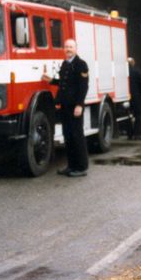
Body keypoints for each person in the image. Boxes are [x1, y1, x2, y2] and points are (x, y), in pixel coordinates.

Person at [42, 39, 90, 177]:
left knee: (77, 136)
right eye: (66, 46)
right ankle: (71, 166)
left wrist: (79, 105)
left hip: (75, 107)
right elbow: (64, 83)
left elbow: (83, 87)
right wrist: (51, 80)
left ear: (76, 48)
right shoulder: (65, 64)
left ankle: (81, 168)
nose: (68, 49)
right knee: (68, 136)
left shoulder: (81, 64)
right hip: (65, 106)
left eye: (71, 46)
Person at [128, 57, 141, 139]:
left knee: (128, 115)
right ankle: (137, 134)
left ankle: (129, 134)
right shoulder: (137, 71)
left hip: (126, 97)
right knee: (138, 115)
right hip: (136, 96)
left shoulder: (124, 72)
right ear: (133, 63)